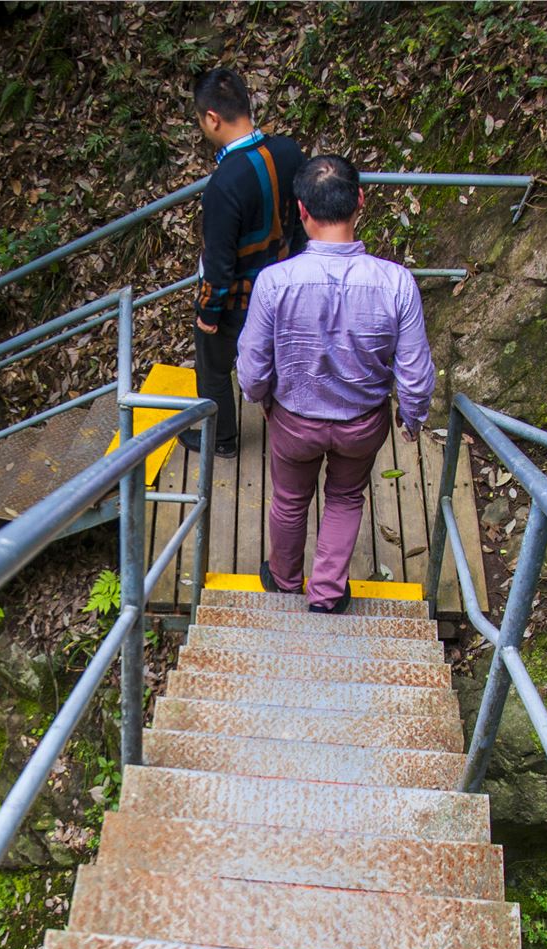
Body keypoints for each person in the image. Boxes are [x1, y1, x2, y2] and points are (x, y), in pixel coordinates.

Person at [237, 155, 436, 614]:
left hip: (294, 420)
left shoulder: (274, 282)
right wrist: (412, 414)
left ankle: (284, 580)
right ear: (360, 200)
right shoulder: (397, 283)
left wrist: (260, 397)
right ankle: (326, 593)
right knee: (346, 498)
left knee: (289, 501)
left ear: (301, 211)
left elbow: (252, 365)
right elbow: (415, 369)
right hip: (362, 424)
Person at [183, 67, 306, 459]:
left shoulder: (223, 185)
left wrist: (208, 310)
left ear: (212, 118)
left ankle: (221, 438)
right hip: (288, 281)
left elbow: (219, 264)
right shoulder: (288, 152)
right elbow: (303, 216)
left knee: (215, 366)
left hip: (241, 298)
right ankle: (301, 422)